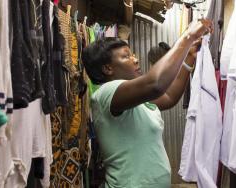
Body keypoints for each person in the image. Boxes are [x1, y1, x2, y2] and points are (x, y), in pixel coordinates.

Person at [82, 19, 212, 188]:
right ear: (108, 69)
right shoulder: (106, 93)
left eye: (132, 54)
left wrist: (189, 57)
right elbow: (156, 84)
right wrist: (187, 37)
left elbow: (169, 97)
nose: (135, 59)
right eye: (126, 56)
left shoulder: (133, 98)